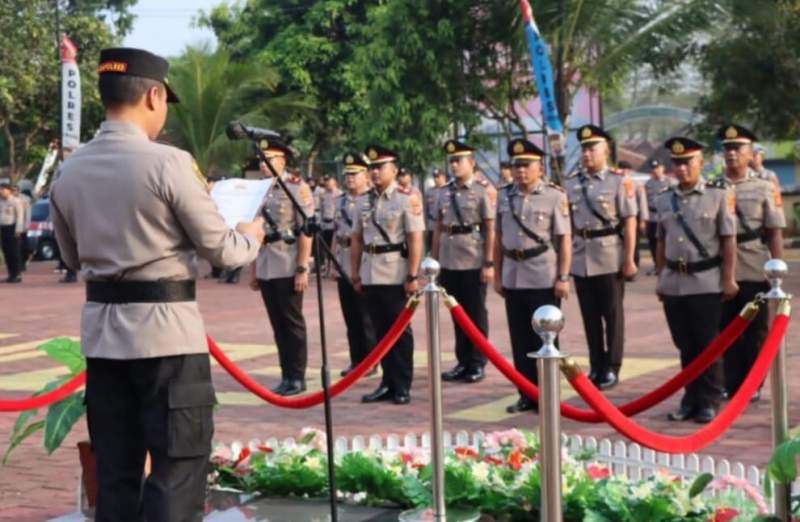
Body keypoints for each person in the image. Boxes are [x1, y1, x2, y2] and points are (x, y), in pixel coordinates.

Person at [49, 47, 264, 522]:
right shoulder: (169, 163)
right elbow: (222, 251)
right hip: (166, 337)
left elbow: (69, 256)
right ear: (153, 95)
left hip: (104, 341)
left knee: (116, 472)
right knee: (177, 471)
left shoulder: (70, 170)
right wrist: (250, 238)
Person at [654, 137, 737, 423]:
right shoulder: (664, 197)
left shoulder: (717, 195)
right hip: (674, 281)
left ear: (700, 163)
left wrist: (728, 279)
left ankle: (709, 399)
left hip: (706, 280)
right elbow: (661, 241)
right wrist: (661, 276)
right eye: (676, 163)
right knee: (685, 344)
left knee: (707, 344)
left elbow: (728, 241)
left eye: (687, 162)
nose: (681, 168)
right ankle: (690, 397)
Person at [494, 139, 572, 413]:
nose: (520, 171)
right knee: (519, 339)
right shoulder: (504, 195)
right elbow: (498, 236)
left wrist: (563, 276)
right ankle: (526, 393)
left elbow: (564, 240)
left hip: (543, 274)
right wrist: (496, 271)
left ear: (540, 167)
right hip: (513, 274)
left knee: (546, 340)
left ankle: (548, 395)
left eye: (526, 165)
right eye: (516, 165)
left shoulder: (554, 196)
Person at [564, 125, 638, 389]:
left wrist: (629, 259)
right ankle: (596, 364)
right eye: (583, 149)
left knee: (612, 315)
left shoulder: (619, 181)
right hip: (582, 257)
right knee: (590, 316)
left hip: (610, 255)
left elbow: (629, 222)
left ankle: (612, 366)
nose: (586, 154)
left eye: (591, 148)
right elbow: (569, 225)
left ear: (605, 149)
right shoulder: (572, 183)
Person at [717, 124, 785, 402]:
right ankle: (732, 383)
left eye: (737, 148)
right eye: (727, 149)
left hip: (755, 264)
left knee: (755, 330)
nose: (731, 153)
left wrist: (777, 270)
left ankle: (754, 383)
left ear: (750, 153)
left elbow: (774, 232)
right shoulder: (714, 186)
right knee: (726, 329)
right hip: (722, 268)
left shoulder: (764, 187)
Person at [351, 144, 424, 405]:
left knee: (400, 332)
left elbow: (415, 239)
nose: (375, 172)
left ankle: (402, 384)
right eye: (371, 168)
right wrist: (356, 273)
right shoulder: (362, 200)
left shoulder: (406, 199)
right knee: (380, 332)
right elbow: (357, 239)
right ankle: (386, 382)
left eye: (380, 167)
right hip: (371, 271)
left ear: (393, 169)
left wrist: (413, 275)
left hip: (395, 272)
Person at [250, 137, 315, 397]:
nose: (264, 166)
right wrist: (254, 269)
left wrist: (302, 268)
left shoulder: (297, 188)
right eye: (261, 161)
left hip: (288, 262)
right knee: (277, 324)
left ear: (282, 161)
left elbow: (306, 230)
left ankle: (297, 376)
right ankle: (286, 374)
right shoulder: (260, 189)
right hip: (266, 261)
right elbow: (255, 231)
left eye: (269, 160)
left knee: (292, 322)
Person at [431, 140, 496, 384]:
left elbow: (491, 229)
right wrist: (435, 262)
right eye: (452, 161)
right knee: (456, 314)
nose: (454, 165)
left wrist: (488, 263)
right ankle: (463, 360)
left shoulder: (482, 191)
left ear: (472, 163)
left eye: (459, 160)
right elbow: (438, 228)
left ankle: (477, 361)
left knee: (475, 312)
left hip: (472, 257)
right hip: (448, 258)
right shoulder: (443, 192)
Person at [335, 152, 377, 376]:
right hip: (343, 261)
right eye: (347, 174)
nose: (350, 178)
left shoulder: (371, 199)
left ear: (365, 175)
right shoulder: (341, 200)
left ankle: (370, 360)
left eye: (355, 174)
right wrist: (333, 262)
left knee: (365, 316)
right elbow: (337, 234)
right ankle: (356, 359)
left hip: (363, 262)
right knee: (350, 316)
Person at [644, 160, 675, 275]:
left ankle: (666, 264)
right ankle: (656, 264)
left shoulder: (671, 182)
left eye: (657, 168)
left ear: (663, 168)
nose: (655, 171)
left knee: (665, 240)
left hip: (665, 216)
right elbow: (645, 200)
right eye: (653, 168)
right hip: (652, 216)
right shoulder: (648, 183)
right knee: (652, 241)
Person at [618, 160, 648, 270]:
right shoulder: (616, 183)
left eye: (626, 169)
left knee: (633, 244)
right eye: (622, 168)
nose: (623, 171)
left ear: (630, 171)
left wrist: (643, 220)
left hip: (634, 217)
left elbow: (642, 202)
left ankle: (634, 265)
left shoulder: (636, 184)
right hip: (619, 218)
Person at [0, 182, 24, 283]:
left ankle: (17, 274)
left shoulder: (16, 201)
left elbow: (20, 216)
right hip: (3, 228)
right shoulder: (1, 202)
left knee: (14, 252)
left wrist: (18, 230)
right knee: (6, 252)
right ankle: (11, 274)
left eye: (2, 190)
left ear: (8, 190)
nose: (1, 192)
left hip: (13, 229)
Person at [319, 174, 342, 277]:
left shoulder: (339, 194)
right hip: (325, 223)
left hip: (334, 223)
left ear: (334, 182)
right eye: (326, 181)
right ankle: (327, 269)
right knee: (326, 247)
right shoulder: (323, 195)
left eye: (329, 181)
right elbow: (321, 209)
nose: (327, 183)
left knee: (334, 248)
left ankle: (334, 268)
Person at [424, 168, 446, 251]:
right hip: (432, 224)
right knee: (431, 249)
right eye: (434, 177)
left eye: (438, 177)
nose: (436, 179)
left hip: (444, 225)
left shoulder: (449, 190)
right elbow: (426, 210)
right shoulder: (430, 192)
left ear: (443, 177)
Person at [14, 186, 32, 272]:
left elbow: (28, 213)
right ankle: (18, 264)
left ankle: (23, 262)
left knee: (23, 246)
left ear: (19, 190)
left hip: (23, 226)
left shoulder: (25, 199)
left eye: (15, 190)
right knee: (16, 246)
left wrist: (26, 226)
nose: (14, 192)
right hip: (13, 226)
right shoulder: (10, 199)